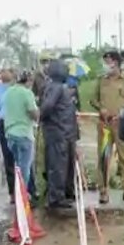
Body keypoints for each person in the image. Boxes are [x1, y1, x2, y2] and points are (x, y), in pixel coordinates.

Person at [91, 51, 124, 205]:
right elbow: (93, 99)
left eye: (109, 62)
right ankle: (104, 191)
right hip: (105, 125)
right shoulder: (101, 80)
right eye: (105, 62)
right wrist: (101, 108)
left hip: (122, 125)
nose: (106, 65)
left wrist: (123, 113)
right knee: (104, 158)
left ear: (117, 63)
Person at [39, 58, 78, 211]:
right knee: (58, 166)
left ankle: (66, 193)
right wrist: (42, 116)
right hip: (58, 133)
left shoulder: (58, 87)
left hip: (64, 132)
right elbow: (48, 106)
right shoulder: (56, 87)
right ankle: (56, 198)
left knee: (65, 165)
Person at [1, 70, 39, 204]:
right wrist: (39, 115)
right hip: (24, 134)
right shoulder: (27, 93)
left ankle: (20, 194)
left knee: (18, 166)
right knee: (25, 169)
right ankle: (23, 196)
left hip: (10, 135)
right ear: (28, 81)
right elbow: (33, 113)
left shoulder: (8, 92)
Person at [0, 68, 14, 195]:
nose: (4, 74)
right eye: (2, 72)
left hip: (15, 123)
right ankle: (13, 192)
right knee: (8, 159)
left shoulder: (16, 89)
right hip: (4, 124)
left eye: (7, 71)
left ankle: (26, 191)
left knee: (21, 160)